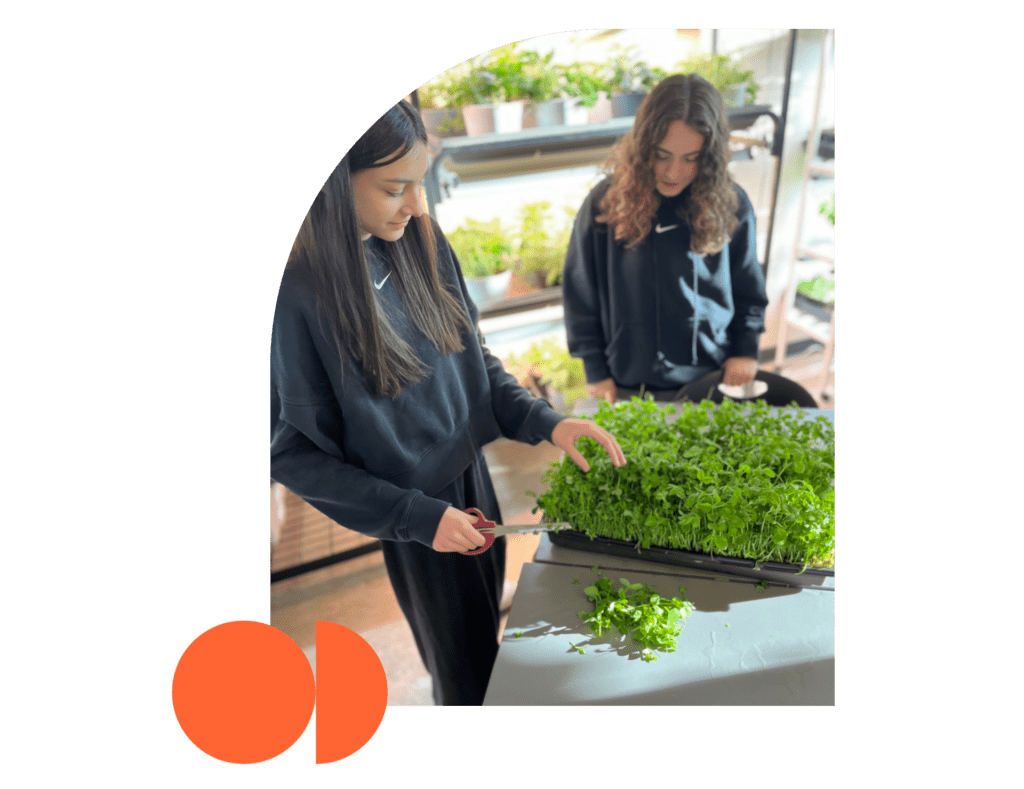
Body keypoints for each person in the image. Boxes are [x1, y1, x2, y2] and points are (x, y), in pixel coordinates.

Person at [270, 100, 626, 706]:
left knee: (489, 644)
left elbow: (473, 361)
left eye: (420, 183)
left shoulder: (421, 241)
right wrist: (416, 516)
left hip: (472, 481)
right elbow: (291, 453)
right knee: (464, 678)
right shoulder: (298, 293)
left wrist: (547, 422)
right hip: (416, 520)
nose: (415, 205)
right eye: (394, 188)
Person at [562, 73, 770, 404]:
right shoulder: (606, 203)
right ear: (644, 146)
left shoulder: (732, 203)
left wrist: (746, 349)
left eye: (691, 158)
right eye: (662, 155)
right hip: (627, 381)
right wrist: (594, 369)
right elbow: (579, 291)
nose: (673, 172)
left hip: (710, 378)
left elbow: (748, 286)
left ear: (709, 156)